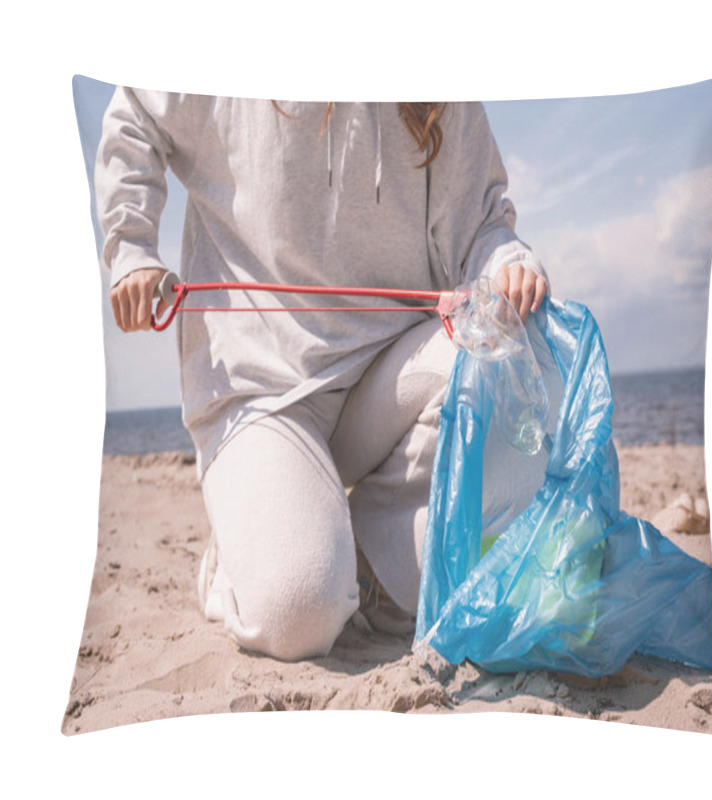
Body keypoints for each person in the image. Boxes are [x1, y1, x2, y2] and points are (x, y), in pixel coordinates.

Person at [96, 92, 551, 661]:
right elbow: (136, 110)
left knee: (512, 355)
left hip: (386, 380)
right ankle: (237, 562)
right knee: (300, 614)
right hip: (261, 388)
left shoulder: (436, 81)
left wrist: (508, 262)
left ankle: (366, 560)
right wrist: (132, 247)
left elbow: (482, 226)